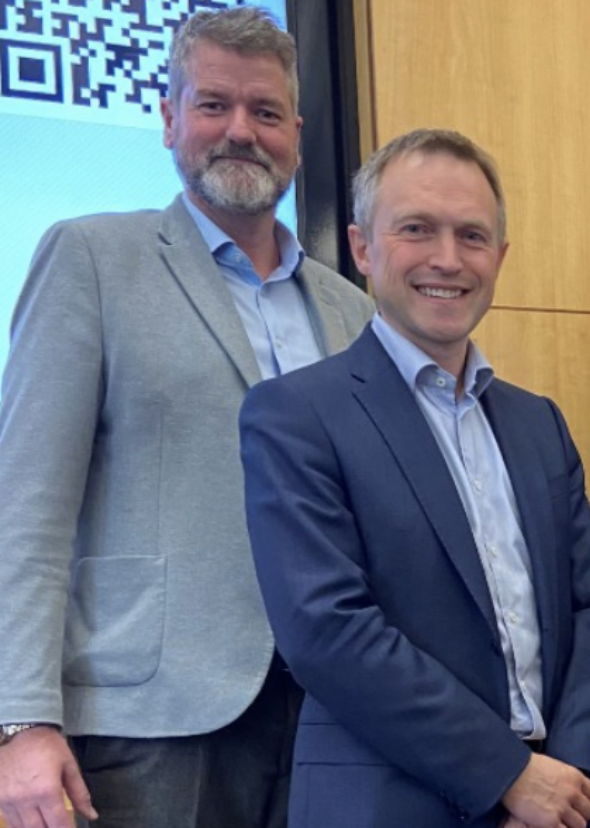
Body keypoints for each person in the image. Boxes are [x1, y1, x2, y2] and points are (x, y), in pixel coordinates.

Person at [0, 7, 375, 828]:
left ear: (298, 135)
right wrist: (22, 720)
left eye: (265, 111)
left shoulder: (351, 311)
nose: (240, 130)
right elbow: (26, 509)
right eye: (214, 104)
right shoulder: (90, 259)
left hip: (327, 715)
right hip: (151, 720)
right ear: (170, 119)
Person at [239, 128, 590, 828]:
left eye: (472, 236)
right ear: (362, 247)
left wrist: (566, 783)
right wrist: (508, 776)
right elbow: (327, 632)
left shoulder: (540, 425)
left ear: (500, 258)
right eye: (417, 229)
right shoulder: (293, 416)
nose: (448, 259)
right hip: (386, 804)